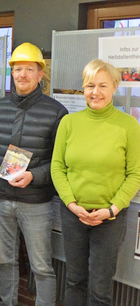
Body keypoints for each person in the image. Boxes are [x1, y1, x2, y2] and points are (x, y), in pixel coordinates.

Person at [0, 42, 68, 306]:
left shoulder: (57, 112)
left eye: (29, 69)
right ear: (11, 73)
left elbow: (62, 162)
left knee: (42, 266)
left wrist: (34, 176)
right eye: (17, 69)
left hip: (36, 203)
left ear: (40, 74)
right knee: (6, 260)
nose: (22, 74)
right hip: (0, 200)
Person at [51, 59, 140, 306]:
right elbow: (57, 167)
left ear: (114, 87)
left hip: (110, 219)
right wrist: (70, 203)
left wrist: (112, 209)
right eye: (90, 85)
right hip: (73, 215)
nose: (96, 92)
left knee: (100, 289)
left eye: (102, 85)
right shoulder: (69, 123)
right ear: (83, 88)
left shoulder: (128, 125)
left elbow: (135, 174)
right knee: (74, 281)